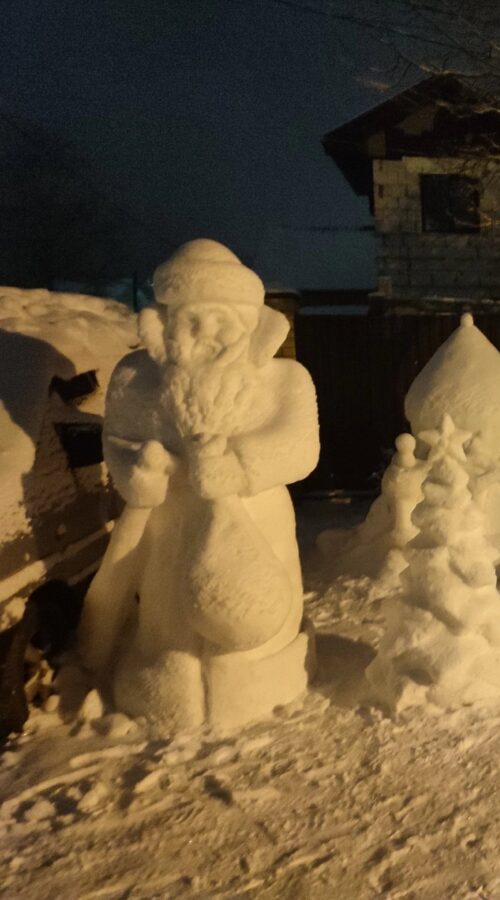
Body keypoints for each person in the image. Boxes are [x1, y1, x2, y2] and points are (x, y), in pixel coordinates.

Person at [77, 239, 319, 731]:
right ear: (168, 321)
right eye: (194, 318)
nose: (208, 331)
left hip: (255, 516)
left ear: (250, 321)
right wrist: (137, 476)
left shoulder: (283, 380)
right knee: (168, 614)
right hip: (170, 521)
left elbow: (299, 446)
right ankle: (169, 681)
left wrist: (239, 467)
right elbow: (120, 439)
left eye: (222, 318)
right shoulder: (137, 377)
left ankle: (257, 678)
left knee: (254, 615)